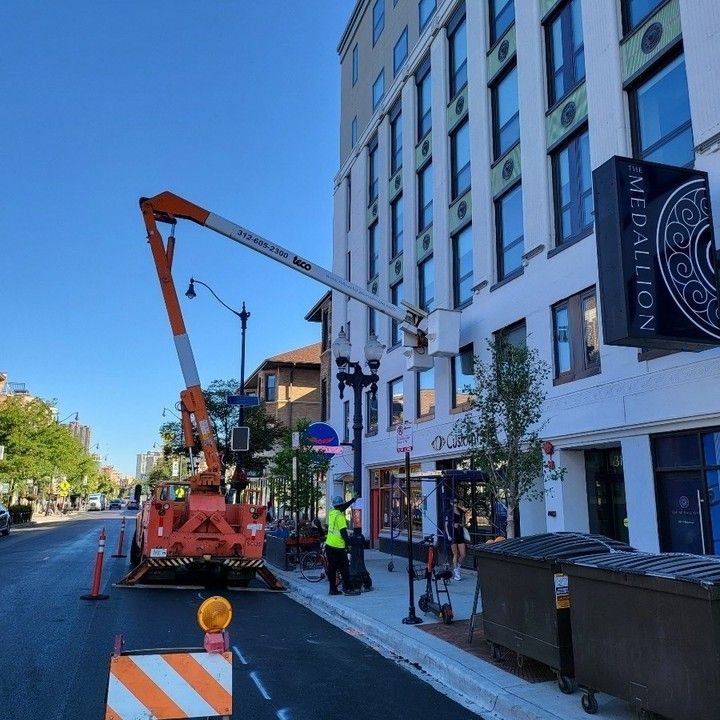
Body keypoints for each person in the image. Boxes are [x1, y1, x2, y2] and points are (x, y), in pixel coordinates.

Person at [325, 495, 361, 596]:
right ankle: (348, 588)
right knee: (344, 568)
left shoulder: (332, 513)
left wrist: (352, 500)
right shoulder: (340, 517)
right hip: (338, 547)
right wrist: (348, 545)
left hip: (329, 545)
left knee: (332, 569)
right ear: (340, 506)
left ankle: (332, 589)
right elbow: (343, 533)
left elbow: (342, 507)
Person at [448, 499, 468, 581]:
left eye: (456, 502)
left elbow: (463, 522)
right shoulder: (449, 512)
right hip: (452, 533)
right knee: (455, 554)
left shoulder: (460, 511)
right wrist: (448, 535)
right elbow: (446, 524)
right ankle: (456, 572)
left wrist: (460, 524)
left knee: (463, 554)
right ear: (451, 503)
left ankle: (458, 567)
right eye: (454, 502)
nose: (455, 504)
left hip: (460, 533)